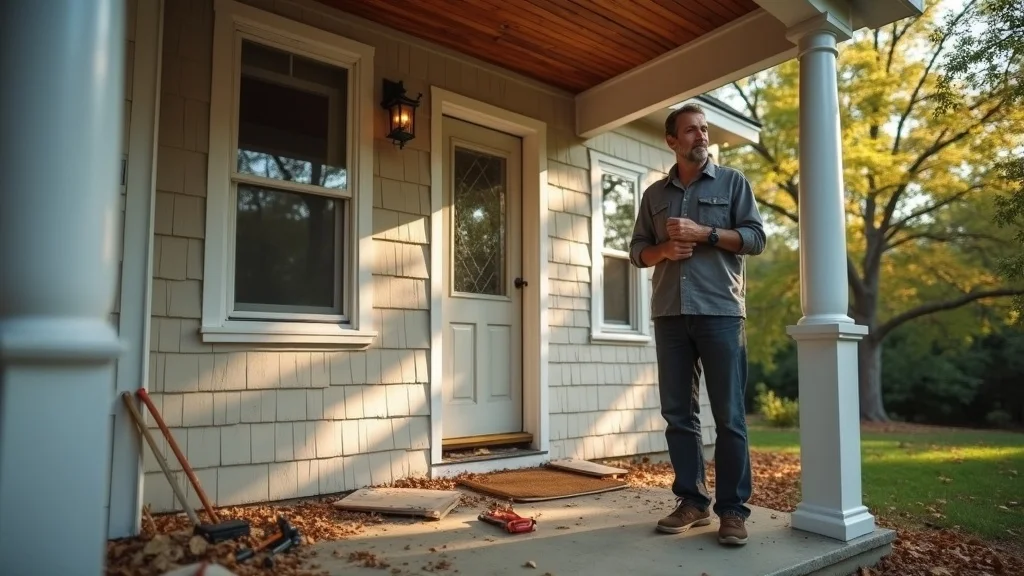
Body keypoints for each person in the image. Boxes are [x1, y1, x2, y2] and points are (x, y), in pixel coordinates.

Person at [628, 102, 767, 546]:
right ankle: (692, 502)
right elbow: (637, 251)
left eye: (704, 129)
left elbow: (755, 238)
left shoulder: (733, 182)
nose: (701, 136)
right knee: (678, 415)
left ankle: (732, 511)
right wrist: (664, 250)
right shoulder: (654, 195)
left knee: (729, 416)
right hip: (670, 313)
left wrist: (704, 233)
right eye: (691, 130)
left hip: (721, 312)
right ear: (672, 140)